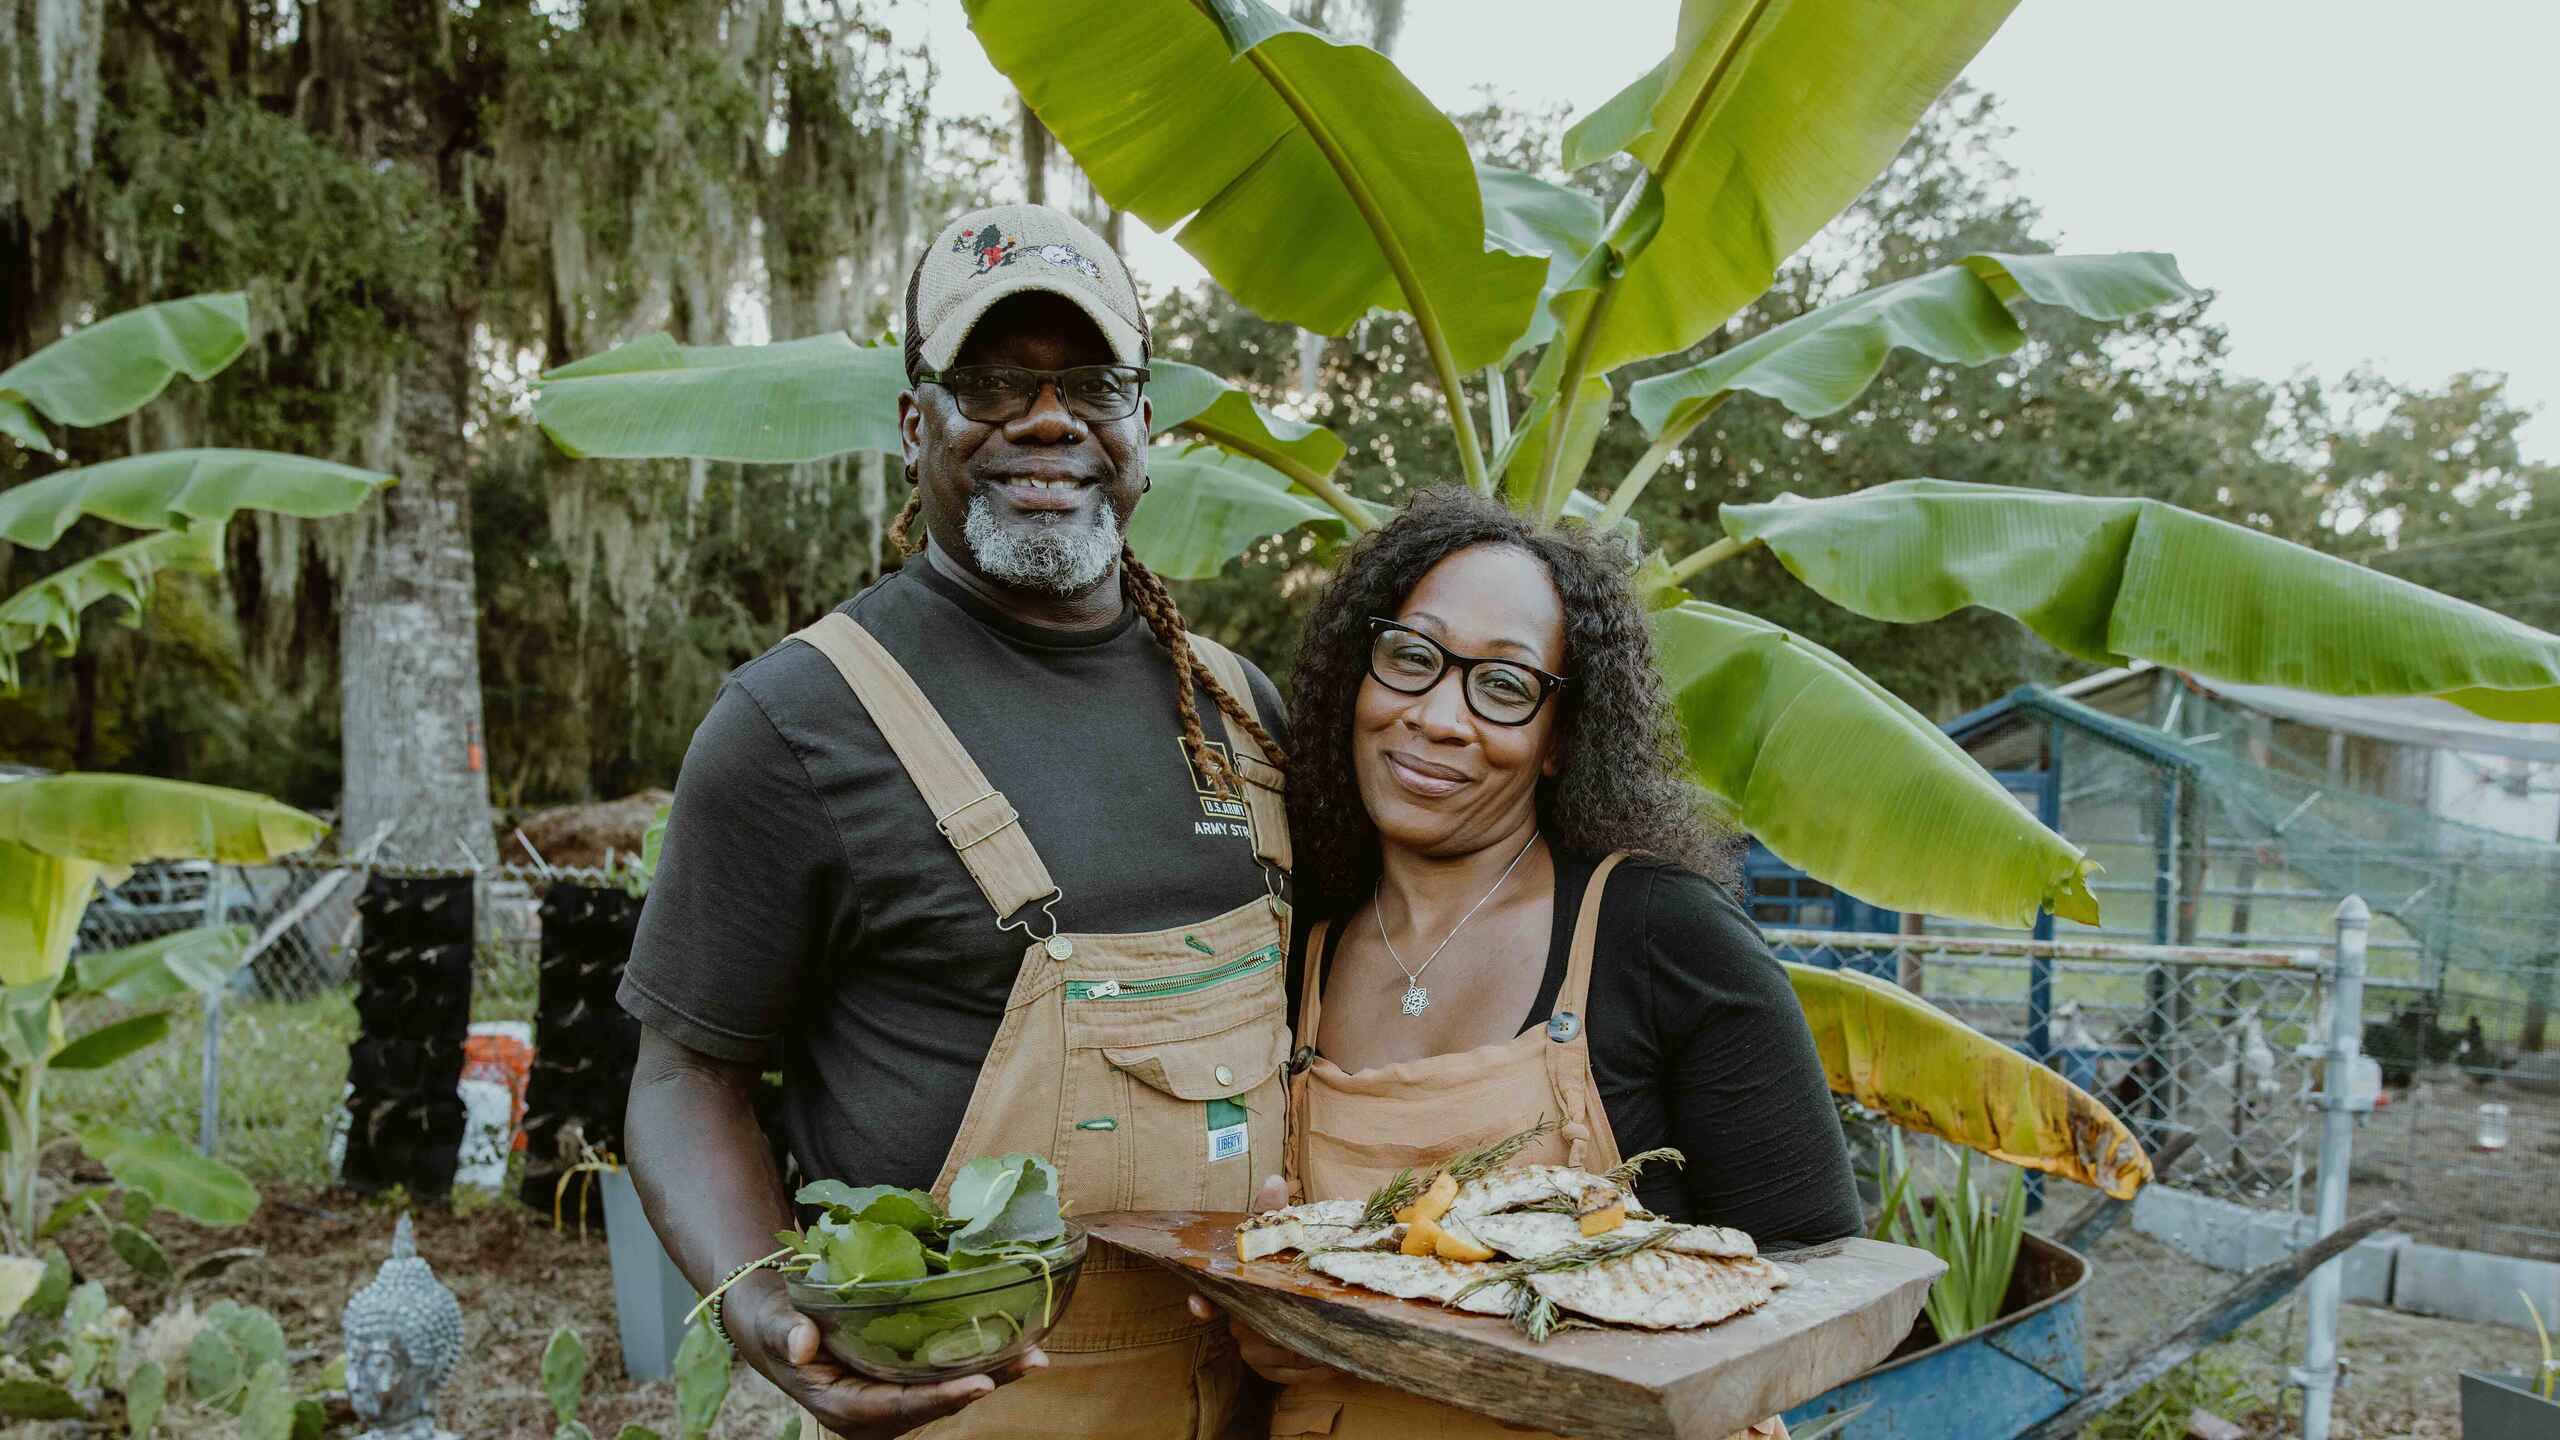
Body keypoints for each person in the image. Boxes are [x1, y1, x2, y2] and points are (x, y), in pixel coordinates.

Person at [619, 203, 1295, 1440]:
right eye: (987, 383)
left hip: (1264, 1390)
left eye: (1091, 382)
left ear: (1144, 422)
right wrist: (767, 1314)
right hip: (972, 1402)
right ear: (912, 422)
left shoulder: (1239, 712)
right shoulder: (796, 722)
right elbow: (682, 1080)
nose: (1046, 420)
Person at [1195, 487, 1862, 1440]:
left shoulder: (1657, 931)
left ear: (1560, 740)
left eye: (1502, 687)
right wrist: (1275, 1319)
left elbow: (1820, 1266)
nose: (1437, 717)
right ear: (1359, 673)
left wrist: (1605, 1320)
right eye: (1412, 659)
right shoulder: (1298, 942)